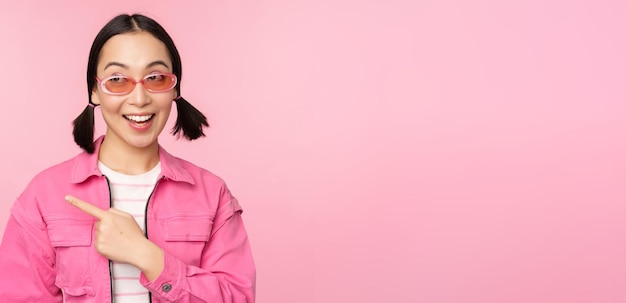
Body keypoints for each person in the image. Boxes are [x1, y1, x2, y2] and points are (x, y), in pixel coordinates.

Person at [0, 13, 255, 302]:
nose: (139, 98)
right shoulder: (44, 196)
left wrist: (147, 256)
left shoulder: (212, 194)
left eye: (155, 78)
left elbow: (238, 297)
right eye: (118, 80)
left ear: (175, 88)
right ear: (95, 90)